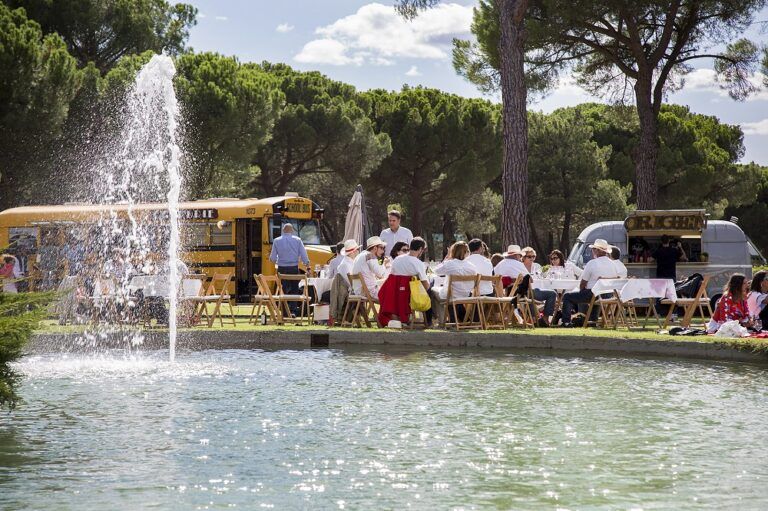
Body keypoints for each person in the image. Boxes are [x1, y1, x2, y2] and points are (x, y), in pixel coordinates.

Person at [560, 239, 619, 327]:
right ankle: (592, 321)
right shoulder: (613, 264)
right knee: (593, 294)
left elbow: (583, 283)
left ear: (598, 251)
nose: (592, 251)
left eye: (593, 249)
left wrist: (582, 291)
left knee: (567, 296)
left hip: (594, 294)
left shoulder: (592, 263)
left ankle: (566, 322)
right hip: (609, 294)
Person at [379, 237, 431, 327]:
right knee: (431, 292)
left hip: (393, 292)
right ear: (420, 249)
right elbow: (425, 285)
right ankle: (429, 321)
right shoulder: (418, 263)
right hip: (408, 292)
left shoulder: (398, 259)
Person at [430, 242, 477, 323]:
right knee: (449, 294)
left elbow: (435, 271)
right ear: (466, 253)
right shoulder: (472, 266)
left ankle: (441, 320)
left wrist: (447, 258)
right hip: (465, 295)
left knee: (433, 290)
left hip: (451, 295)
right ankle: (458, 318)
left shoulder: (449, 263)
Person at [269, 223, 310, 315]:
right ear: (292, 231)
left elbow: (272, 258)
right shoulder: (298, 240)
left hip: (282, 269)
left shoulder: (276, 241)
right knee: (294, 289)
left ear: (283, 230)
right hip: (293, 268)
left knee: (283, 289)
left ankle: (284, 311)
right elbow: (304, 255)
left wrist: (276, 261)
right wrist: (307, 264)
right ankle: (293, 310)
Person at [521, 247, 556, 327]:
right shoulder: (520, 266)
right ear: (523, 257)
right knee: (530, 295)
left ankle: (545, 319)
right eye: (529, 257)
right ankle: (534, 319)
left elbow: (543, 277)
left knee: (552, 293)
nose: (532, 258)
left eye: (533, 257)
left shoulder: (537, 266)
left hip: (537, 290)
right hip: (525, 291)